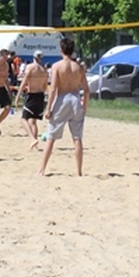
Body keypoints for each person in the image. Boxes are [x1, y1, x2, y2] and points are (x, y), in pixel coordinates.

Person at [38, 37, 91, 177]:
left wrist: (48, 108)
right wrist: (85, 106)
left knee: (51, 136)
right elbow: (86, 90)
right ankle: (79, 171)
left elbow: (54, 88)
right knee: (77, 138)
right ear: (72, 51)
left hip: (62, 100)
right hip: (75, 99)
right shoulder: (78, 67)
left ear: (61, 50)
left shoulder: (57, 66)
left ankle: (42, 169)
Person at [14, 50, 48, 150]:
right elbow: (45, 86)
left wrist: (17, 97)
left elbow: (24, 83)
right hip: (40, 96)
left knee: (23, 119)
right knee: (33, 121)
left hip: (32, 95)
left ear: (33, 57)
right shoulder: (44, 71)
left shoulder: (30, 68)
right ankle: (35, 145)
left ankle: (32, 139)